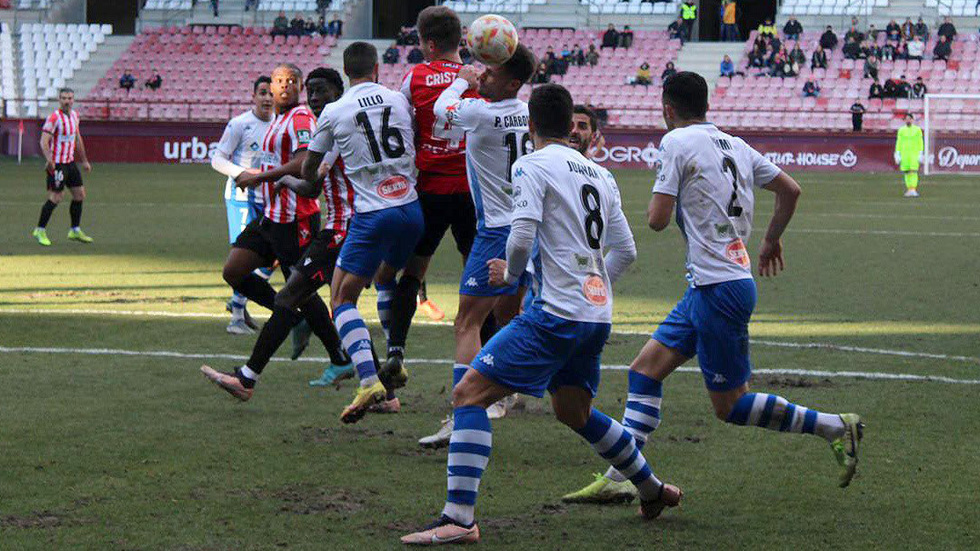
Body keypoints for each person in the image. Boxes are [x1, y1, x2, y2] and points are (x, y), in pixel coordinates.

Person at [562, 71, 863, 506]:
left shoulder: (677, 143)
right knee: (644, 371)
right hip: (713, 283)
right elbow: (791, 190)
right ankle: (621, 475)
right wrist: (771, 238)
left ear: (667, 109)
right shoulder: (735, 144)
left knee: (730, 406)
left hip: (719, 288)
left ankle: (835, 426)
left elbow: (656, 219)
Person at [400, 83, 674, 546]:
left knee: (468, 394)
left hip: (553, 314)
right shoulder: (600, 174)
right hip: (594, 316)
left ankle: (460, 519)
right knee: (575, 411)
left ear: (530, 127)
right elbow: (625, 251)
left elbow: (522, 233)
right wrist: (593, 290)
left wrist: (510, 274)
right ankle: (651, 489)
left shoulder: (530, 165)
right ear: (572, 126)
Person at [203, 67, 358, 400]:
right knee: (235, 271)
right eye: (278, 82)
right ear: (269, 88)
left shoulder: (302, 118)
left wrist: (262, 177)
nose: (284, 87)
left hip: (295, 218)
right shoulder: (275, 120)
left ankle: (338, 355)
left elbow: (304, 163)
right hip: (270, 216)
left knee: (298, 289)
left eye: (291, 82)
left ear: (299, 88)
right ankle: (295, 321)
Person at [417, 45, 538, 448]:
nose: (482, 75)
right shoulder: (527, 113)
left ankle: (462, 413)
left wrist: (460, 81)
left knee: (467, 323)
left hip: (496, 230)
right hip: (528, 226)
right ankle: (510, 385)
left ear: (513, 82)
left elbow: (440, 111)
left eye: (491, 71)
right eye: (482, 69)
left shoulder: (483, 114)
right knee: (508, 315)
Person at [297, 43, 423, 422]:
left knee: (341, 299)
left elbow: (310, 167)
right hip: (412, 209)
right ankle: (396, 357)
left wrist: (306, 179)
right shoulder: (399, 100)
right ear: (377, 68)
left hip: (373, 215)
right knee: (387, 280)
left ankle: (369, 379)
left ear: (346, 71)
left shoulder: (334, 111)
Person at [385, 6, 486, 390]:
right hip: (471, 193)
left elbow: (402, 124)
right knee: (477, 278)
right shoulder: (478, 78)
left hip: (428, 190)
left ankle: (396, 349)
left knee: (412, 273)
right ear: (459, 40)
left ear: (428, 43)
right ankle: (487, 360)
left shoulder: (415, 77)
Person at [210, 76, 275, 335]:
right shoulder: (240, 124)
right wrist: (241, 173)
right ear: (253, 97)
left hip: (269, 198)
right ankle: (236, 317)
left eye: (271, 93)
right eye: (262, 93)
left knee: (272, 258)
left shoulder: (281, 123)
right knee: (246, 256)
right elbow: (217, 159)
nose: (268, 98)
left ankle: (238, 301)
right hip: (242, 197)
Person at [32, 88, 93, 246]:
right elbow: (43, 141)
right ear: (59, 100)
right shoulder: (54, 118)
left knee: (79, 194)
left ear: (73, 100)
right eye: (64, 98)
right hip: (58, 164)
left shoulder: (75, 116)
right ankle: (40, 230)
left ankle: (74, 230)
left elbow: (77, 139)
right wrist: (50, 160)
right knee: (56, 197)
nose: (67, 101)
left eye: (70, 98)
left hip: (70, 162)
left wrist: (84, 160)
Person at [895, 114, 924, 198]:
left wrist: (921, 152)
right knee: (906, 172)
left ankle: (913, 189)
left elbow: (920, 141)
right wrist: (897, 153)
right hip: (904, 154)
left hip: (914, 153)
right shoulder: (901, 130)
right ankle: (909, 189)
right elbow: (899, 142)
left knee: (913, 171)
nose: (908, 120)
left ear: (912, 120)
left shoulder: (917, 130)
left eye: (909, 119)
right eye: (906, 119)